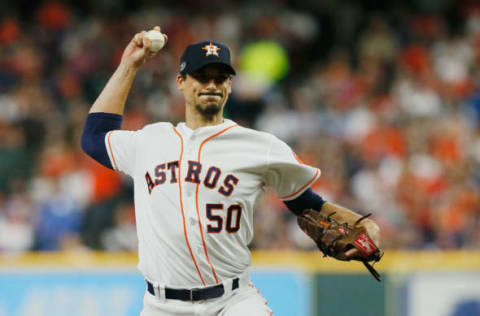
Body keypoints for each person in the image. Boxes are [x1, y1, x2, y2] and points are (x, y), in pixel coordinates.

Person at [81, 26, 381, 316]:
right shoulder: (149, 140)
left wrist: (363, 225)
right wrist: (128, 65)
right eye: (201, 76)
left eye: (220, 77)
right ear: (181, 82)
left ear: (229, 86)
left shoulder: (259, 146)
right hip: (161, 305)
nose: (211, 85)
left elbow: (307, 206)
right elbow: (94, 138)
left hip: (232, 301)